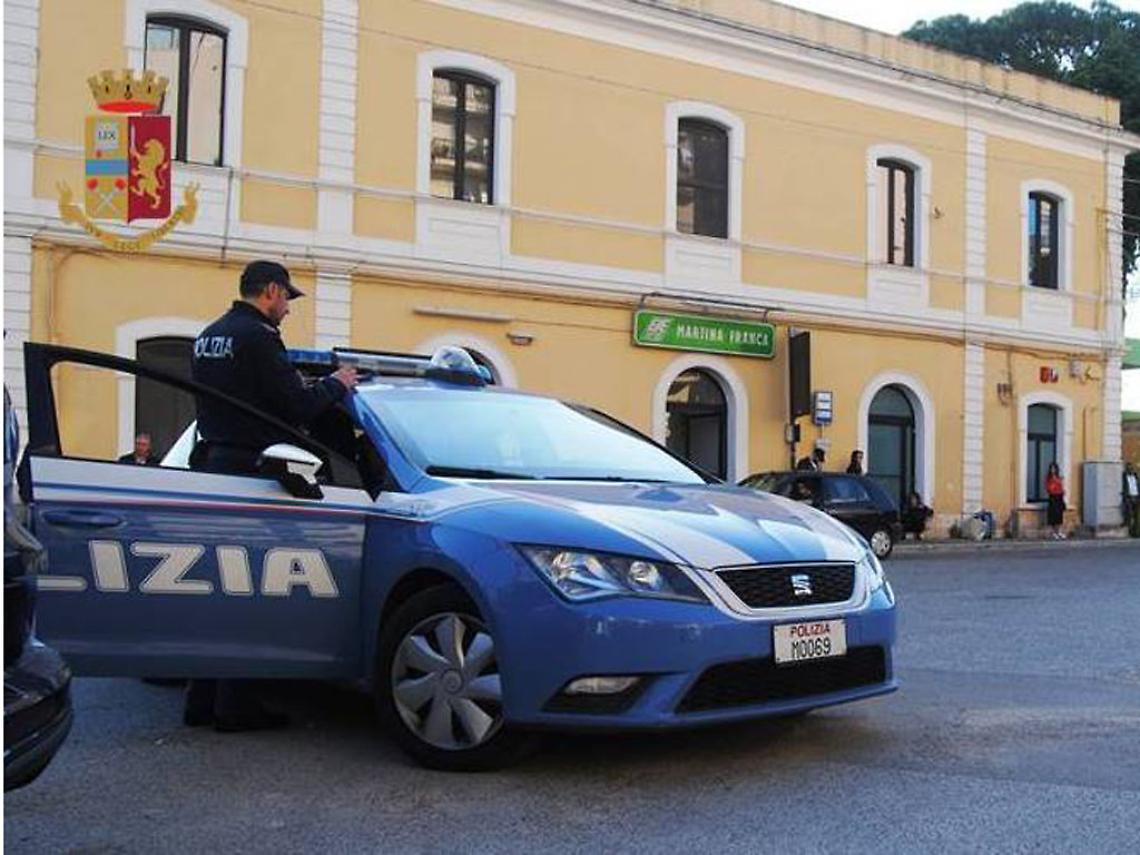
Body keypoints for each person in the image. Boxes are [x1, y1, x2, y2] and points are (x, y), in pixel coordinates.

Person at [184, 260, 359, 732]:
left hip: (213, 465)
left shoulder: (209, 335)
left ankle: (201, 700)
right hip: (253, 471)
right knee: (249, 591)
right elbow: (296, 406)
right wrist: (335, 384)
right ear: (270, 291)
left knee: (217, 592)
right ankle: (235, 706)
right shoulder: (258, 338)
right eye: (286, 300)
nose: (287, 309)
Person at [1045, 461, 1066, 539]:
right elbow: (1049, 488)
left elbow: (1061, 487)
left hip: (1059, 497)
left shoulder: (1058, 478)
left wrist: (1062, 490)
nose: (1053, 470)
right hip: (1053, 497)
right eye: (1051, 469)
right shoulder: (1049, 478)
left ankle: (1059, 531)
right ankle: (1053, 532)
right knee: (1053, 515)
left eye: (1054, 468)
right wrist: (1054, 485)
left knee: (1059, 515)